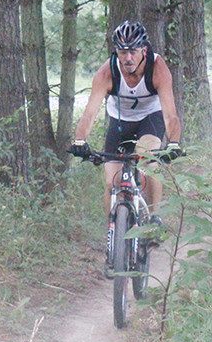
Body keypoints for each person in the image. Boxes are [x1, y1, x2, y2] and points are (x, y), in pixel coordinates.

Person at [69, 20, 183, 218]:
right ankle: (113, 237)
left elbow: (170, 115)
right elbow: (89, 114)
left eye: (133, 51)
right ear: (116, 52)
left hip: (150, 117)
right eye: (122, 52)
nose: (128, 58)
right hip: (120, 122)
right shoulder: (107, 72)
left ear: (144, 50)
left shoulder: (157, 69)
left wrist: (173, 144)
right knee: (111, 183)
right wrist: (80, 141)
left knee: (146, 159)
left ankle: (155, 219)